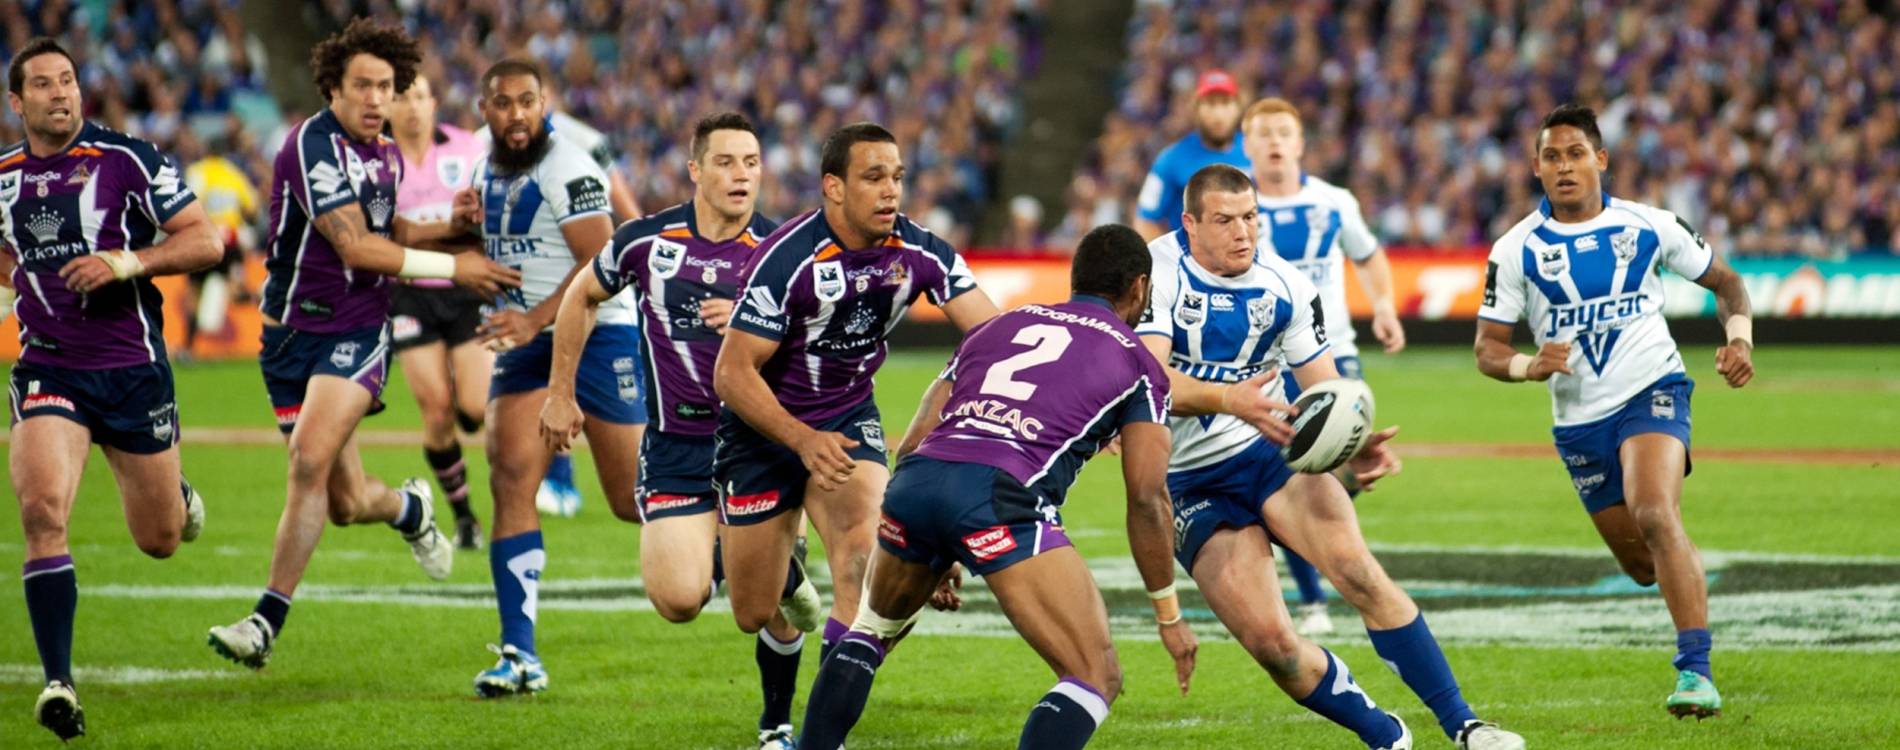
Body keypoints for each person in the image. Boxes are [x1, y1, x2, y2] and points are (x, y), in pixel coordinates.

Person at [1143, 164, 1524, 750]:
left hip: (1267, 453)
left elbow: (1324, 390)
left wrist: (1354, 442)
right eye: (1224, 221)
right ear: (1189, 224)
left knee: (1357, 571)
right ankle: (1385, 732)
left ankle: (1467, 726)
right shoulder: (1156, 273)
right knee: (1275, 647)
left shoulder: (1288, 286)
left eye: (1250, 218)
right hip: (1186, 482)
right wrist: (1228, 399)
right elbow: (1152, 379)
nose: (1243, 233)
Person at [797, 224, 1195, 750]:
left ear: (1074, 278)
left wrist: (938, 540)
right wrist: (1168, 610)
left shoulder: (999, 325)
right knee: (1096, 674)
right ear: (1140, 288)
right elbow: (1146, 495)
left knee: (871, 628)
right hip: (1001, 496)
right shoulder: (1141, 363)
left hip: (917, 484)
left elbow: (914, 439)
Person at [205, 18, 519, 671]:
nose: (379, 100)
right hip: (289, 335)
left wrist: (445, 228)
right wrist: (455, 264)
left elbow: (392, 228)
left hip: (356, 328)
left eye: (387, 86)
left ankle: (265, 621)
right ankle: (410, 508)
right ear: (333, 89)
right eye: (365, 87)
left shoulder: (382, 152)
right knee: (345, 502)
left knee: (306, 462)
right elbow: (354, 243)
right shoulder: (310, 146)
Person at [541, 111, 822, 748]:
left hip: (760, 447)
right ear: (696, 170)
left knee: (759, 612)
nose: (741, 175)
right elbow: (580, 296)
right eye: (725, 162)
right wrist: (561, 392)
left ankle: (776, 724)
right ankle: (775, 564)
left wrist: (759, 335)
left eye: (751, 163)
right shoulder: (646, 240)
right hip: (674, 449)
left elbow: (814, 354)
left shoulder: (785, 254)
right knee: (678, 600)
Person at [1475, 103, 1754, 721]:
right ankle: (1682, 572)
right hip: (1578, 420)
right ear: (1537, 168)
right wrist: (1529, 365)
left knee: (1655, 511)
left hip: (1653, 387)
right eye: (1552, 156)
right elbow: (1487, 350)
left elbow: (1728, 284)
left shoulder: (1650, 225)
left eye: (1576, 154)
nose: (1565, 166)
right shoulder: (1515, 249)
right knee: (1639, 564)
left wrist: (1740, 339)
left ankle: (1695, 672)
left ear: (1600, 159)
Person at [713, 121, 999, 682]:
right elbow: (731, 373)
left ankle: (821, 726)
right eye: (874, 177)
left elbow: (995, 338)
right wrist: (799, 438)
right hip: (764, 431)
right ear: (834, 187)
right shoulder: (787, 259)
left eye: (897, 177)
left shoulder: (919, 251)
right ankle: (787, 574)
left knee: (869, 566)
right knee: (751, 609)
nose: (891, 190)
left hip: (846, 416)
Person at [2, 37, 221, 740]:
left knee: (159, 539)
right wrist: (25, 281)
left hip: (131, 370)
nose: (60, 93)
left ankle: (178, 494)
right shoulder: (2, 177)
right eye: (43, 85)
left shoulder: (130, 160)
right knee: (41, 509)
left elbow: (206, 240)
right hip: (49, 366)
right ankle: (59, 683)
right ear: (17, 102)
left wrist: (125, 261)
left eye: (68, 81)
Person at [454, 58, 640, 697]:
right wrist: (462, 225)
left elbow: (600, 259)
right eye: (502, 103)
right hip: (528, 338)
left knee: (631, 499)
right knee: (509, 478)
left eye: (527, 101)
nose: (516, 114)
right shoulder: (484, 167)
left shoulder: (570, 167)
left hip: (598, 330)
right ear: (485, 108)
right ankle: (520, 653)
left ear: (544, 104)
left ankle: (746, 541)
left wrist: (536, 319)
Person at [1244, 96, 1408, 636]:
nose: (1273, 142)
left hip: (1334, 351)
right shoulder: (1239, 208)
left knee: (1338, 469)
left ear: (1299, 144)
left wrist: (1383, 305)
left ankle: (1314, 556)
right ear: (1247, 145)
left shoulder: (1334, 201)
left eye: (1282, 133)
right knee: (1294, 473)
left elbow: (1367, 254)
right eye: (1262, 133)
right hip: (1270, 361)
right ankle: (1314, 600)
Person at [388, 72, 490, 549]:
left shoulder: (467, 148)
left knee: (473, 408)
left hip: (465, 286)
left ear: (434, 104)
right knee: (436, 408)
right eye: (403, 98)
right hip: (408, 294)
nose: (412, 107)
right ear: (388, 108)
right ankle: (465, 517)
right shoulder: (378, 160)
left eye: (421, 97)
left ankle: (470, 420)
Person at [1133, 69, 1250, 241]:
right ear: (1196, 108)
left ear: (1238, 107)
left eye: (1225, 103)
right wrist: (1170, 263)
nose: (1218, 114)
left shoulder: (1255, 150)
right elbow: (1145, 220)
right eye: (1210, 104)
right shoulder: (1171, 159)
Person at [177, 128, 261, 358]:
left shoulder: (197, 171)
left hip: (205, 239)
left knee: (194, 292)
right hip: (230, 242)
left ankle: (187, 349)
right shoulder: (234, 174)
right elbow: (252, 208)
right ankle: (263, 301)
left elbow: (189, 204)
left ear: (206, 150)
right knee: (236, 292)